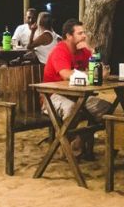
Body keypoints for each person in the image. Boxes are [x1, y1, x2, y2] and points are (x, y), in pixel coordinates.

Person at [43, 18, 111, 159]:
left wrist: (92, 51)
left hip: (78, 95)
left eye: (84, 32)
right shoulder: (60, 51)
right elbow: (66, 74)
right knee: (73, 110)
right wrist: (91, 73)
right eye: (80, 33)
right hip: (52, 97)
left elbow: (98, 68)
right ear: (69, 36)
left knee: (106, 109)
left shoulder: (82, 51)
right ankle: (65, 145)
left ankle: (78, 141)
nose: (84, 36)